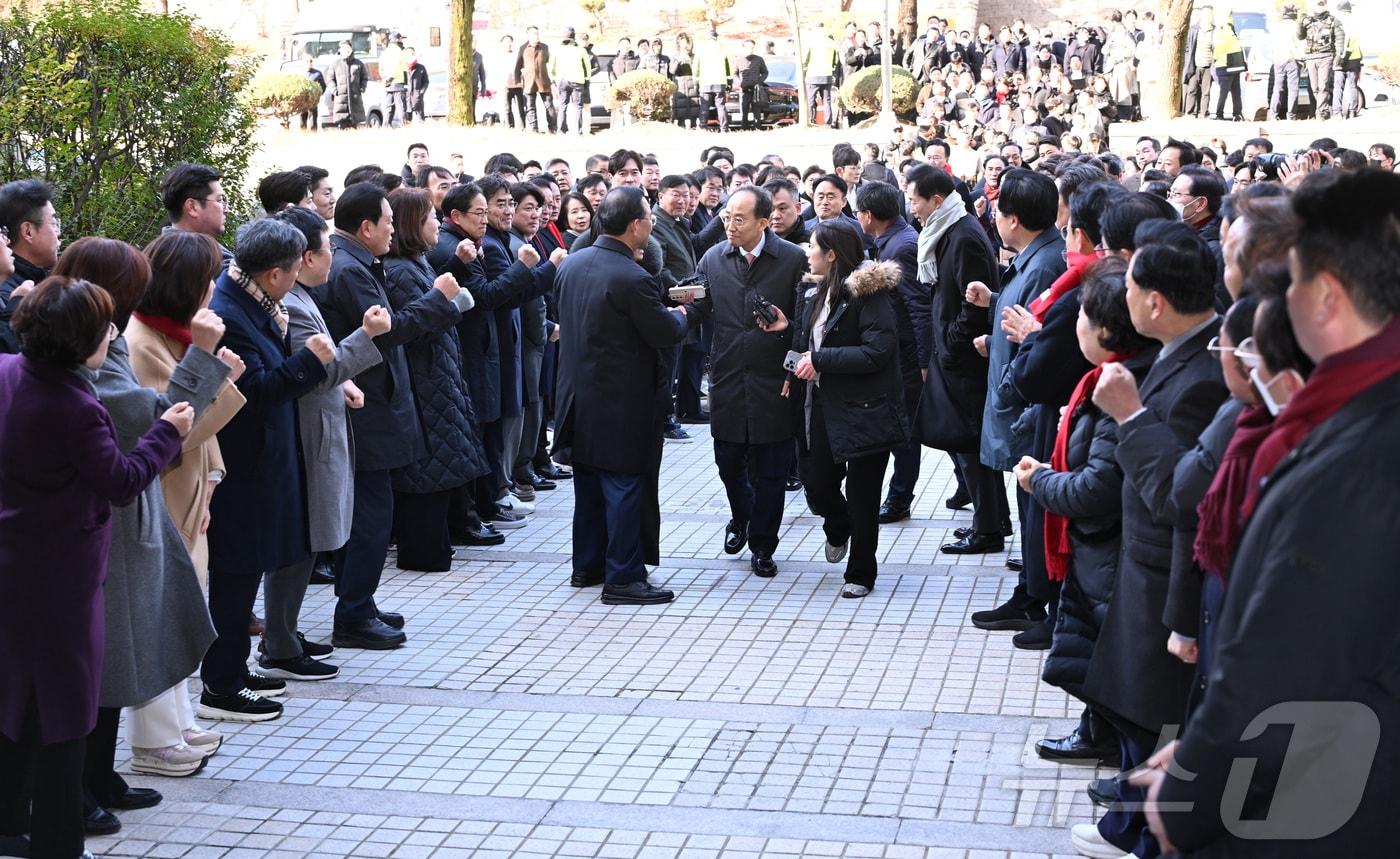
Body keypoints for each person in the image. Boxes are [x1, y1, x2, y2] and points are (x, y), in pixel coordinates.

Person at [1139, 167, 1400, 857]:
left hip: (1330, 808)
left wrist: (1195, 784)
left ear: (1327, 298)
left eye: (1291, 284)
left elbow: (1291, 661)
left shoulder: (1358, 449)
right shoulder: (1351, 412)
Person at [0, 276, 188, 859]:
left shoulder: (8, 372)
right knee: (65, 712)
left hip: (12, 563)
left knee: (15, 702)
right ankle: (58, 843)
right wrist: (166, 433)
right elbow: (121, 482)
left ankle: (8, 822)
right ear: (82, 342)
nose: (112, 334)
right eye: (105, 326)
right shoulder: (78, 405)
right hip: (62, 578)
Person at [47, 239, 226, 822]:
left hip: (131, 518)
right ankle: (79, 794)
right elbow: (146, 419)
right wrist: (202, 359)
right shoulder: (85, 348)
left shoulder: (110, 338)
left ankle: (101, 779)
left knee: (118, 658)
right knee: (103, 664)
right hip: (109, 521)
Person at [1073, 220, 1227, 859]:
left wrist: (1130, 417)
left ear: (1155, 302)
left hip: (1169, 574)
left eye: (1132, 287)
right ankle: (1127, 827)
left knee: (1157, 714)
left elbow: (1184, 499)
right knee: (1138, 709)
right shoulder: (1182, 351)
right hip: (1146, 566)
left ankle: (1145, 837)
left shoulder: (1207, 375)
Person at [1016, 256, 1155, 771]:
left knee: (1110, 658)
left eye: (1079, 317)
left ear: (1105, 328)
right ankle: (1099, 733)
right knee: (1095, 654)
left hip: (1108, 545)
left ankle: (1122, 754)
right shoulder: (1102, 379)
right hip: (1094, 549)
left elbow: (1099, 487)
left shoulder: (1118, 387)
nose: (1073, 325)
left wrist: (1040, 481)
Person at [314, 182, 464, 649]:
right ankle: (353, 613)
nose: (393, 229)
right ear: (365, 227)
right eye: (388, 221)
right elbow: (386, 333)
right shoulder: (350, 270)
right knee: (371, 516)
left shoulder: (358, 262)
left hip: (374, 402)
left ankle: (361, 600)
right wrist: (438, 299)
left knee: (374, 511)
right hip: (365, 408)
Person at [200, 220, 333, 723]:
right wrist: (309, 363)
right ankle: (222, 683)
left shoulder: (251, 295)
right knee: (234, 574)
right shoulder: (231, 311)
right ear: (275, 272)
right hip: (243, 464)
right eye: (296, 266)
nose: (301, 273)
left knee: (247, 569)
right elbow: (250, 394)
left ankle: (235, 666)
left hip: (263, 461)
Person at [553, 187, 707, 604]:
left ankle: (588, 565)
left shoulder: (573, 263)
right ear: (636, 225)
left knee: (588, 486)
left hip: (577, 396)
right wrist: (686, 312)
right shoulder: (631, 276)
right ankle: (623, 576)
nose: (652, 224)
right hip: (621, 402)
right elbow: (664, 331)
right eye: (649, 218)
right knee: (624, 486)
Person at [265, 206, 388, 678]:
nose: (332, 260)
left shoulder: (302, 297)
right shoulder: (293, 305)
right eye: (325, 251)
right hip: (307, 435)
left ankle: (285, 633)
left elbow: (324, 369)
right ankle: (278, 642)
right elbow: (315, 371)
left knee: (309, 540)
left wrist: (341, 380)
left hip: (321, 429)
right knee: (300, 542)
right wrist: (366, 336)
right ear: (305, 257)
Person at [763, 223, 910, 597]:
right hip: (820, 405)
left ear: (831, 254)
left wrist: (822, 359)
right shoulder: (813, 289)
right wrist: (787, 336)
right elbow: (809, 338)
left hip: (865, 410)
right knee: (816, 481)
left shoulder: (870, 292)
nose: (806, 251)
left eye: (812, 246)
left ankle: (861, 572)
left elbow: (878, 351)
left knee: (864, 494)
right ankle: (839, 523)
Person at [963, 168, 1063, 622]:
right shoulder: (1033, 260)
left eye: (1000, 212)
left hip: (1026, 406)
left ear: (1014, 220)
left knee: (1033, 504)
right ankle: (1030, 591)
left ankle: (1033, 597)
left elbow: (1040, 341)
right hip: (1015, 398)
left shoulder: (1046, 264)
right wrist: (995, 302)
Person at [697, 185, 807, 578]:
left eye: (739, 219)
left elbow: (806, 326)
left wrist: (793, 368)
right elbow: (697, 305)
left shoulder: (793, 260)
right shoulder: (713, 258)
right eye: (727, 216)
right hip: (727, 378)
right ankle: (741, 518)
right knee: (728, 461)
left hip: (775, 381)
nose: (729, 224)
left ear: (764, 222)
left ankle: (763, 544)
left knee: (771, 471)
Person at [903, 164, 1009, 549]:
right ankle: (994, 520)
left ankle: (988, 529)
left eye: (914, 199)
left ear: (936, 199)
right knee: (969, 445)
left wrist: (951, 340)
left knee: (969, 443)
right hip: (955, 354)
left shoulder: (962, 235)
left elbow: (976, 301)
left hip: (965, 358)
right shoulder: (946, 231)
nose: (910, 206)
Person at [383, 187, 488, 572]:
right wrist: (446, 301)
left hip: (437, 378)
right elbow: (412, 329)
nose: (436, 225)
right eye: (430, 218)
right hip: (425, 383)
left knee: (439, 471)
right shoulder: (403, 270)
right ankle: (424, 552)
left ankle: (435, 545)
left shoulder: (416, 263)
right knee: (427, 475)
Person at [853, 181, 923, 525]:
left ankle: (899, 498)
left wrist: (923, 360)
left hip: (907, 356)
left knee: (905, 429)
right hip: (902, 353)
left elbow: (916, 307)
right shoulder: (891, 240)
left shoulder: (901, 247)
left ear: (868, 215)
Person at [0, 180, 61, 354]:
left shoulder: (32, 283)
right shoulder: (9, 295)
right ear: (28, 231)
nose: (58, 234)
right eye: (53, 223)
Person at [159, 163, 233, 267]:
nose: (227, 210)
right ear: (192, 207)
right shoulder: (210, 265)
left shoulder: (155, 255)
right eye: (220, 200)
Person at [1298, 0, 1345, 120]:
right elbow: (1300, 36)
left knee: (1323, 85)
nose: (1320, 5)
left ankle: (1320, 113)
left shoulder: (1333, 20)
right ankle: (1324, 109)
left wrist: (1339, 55)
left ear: (1326, 5)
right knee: (1315, 87)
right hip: (1311, 57)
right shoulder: (1307, 21)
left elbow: (1340, 38)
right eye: (1318, 3)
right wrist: (1299, 22)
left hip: (1326, 56)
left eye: (1322, 3)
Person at [551, 28, 592, 137]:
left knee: (562, 105)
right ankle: (577, 131)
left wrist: (554, 79)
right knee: (577, 106)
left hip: (562, 80)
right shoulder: (581, 50)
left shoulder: (557, 49)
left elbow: (552, 66)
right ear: (574, 37)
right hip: (577, 81)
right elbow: (587, 67)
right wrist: (587, 79)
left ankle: (561, 131)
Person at [515, 27, 555, 133]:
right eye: (533, 34)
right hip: (529, 81)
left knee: (549, 105)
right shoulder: (523, 48)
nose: (535, 35)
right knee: (530, 107)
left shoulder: (544, 47)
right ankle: (534, 129)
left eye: (537, 33)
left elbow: (547, 61)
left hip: (543, 81)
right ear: (528, 35)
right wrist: (517, 80)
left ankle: (552, 128)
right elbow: (518, 65)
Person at [693, 31, 732, 133]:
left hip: (705, 82)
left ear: (707, 38)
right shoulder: (722, 48)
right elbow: (729, 68)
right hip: (720, 83)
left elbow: (695, 68)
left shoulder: (701, 49)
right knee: (721, 106)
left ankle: (703, 127)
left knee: (704, 107)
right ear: (716, 37)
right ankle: (724, 129)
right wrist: (729, 83)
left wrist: (695, 82)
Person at [1182, 7, 1215, 118]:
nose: (1207, 16)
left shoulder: (1214, 31)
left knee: (1206, 91)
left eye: (1209, 14)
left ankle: (1203, 112)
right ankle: (1189, 112)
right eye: (1205, 14)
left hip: (1208, 65)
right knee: (1192, 89)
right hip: (1195, 64)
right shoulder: (1194, 29)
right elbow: (1187, 47)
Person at [328, 40, 368, 129]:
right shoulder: (335, 64)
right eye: (343, 48)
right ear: (340, 50)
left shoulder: (359, 63)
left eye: (347, 48)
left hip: (355, 101)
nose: (346, 50)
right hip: (341, 102)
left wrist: (362, 88)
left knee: (354, 131)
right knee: (342, 130)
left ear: (351, 49)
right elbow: (330, 79)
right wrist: (335, 90)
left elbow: (364, 77)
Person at [736, 39, 769, 130]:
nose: (750, 49)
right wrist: (739, 82)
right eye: (748, 47)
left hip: (756, 90)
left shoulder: (759, 59)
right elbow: (734, 74)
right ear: (743, 47)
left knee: (756, 111)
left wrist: (759, 81)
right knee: (744, 110)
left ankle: (757, 128)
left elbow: (765, 72)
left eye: (752, 47)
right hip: (744, 90)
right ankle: (744, 128)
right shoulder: (738, 59)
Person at [301, 53, 326, 131]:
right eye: (307, 61)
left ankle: (314, 134)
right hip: (302, 100)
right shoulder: (300, 73)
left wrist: (317, 94)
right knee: (302, 118)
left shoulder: (317, 73)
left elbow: (323, 86)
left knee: (313, 118)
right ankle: (303, 134)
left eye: (311, 61)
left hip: (313, 100)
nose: (309, 63)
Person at [405, 47, 430, 123]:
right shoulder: (402, 67)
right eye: (409, 53)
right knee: (407, 122)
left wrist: (421, 93)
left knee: (421, 120)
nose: (411, 55)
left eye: (412, 53)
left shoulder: (421, 68)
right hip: (405, 98)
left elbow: (426, 82)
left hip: (417, 97)